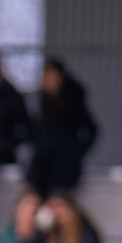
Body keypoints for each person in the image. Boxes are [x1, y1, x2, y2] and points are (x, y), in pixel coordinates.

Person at [26, 59, 97, 198]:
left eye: (54, 76)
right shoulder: (37, 102)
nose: (50, 81)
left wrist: (77, 153)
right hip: (41, 166)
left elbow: (92, 130)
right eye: (47, 77)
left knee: (59, 203)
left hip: (64, 166)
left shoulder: (74, 101)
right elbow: (30, 130)